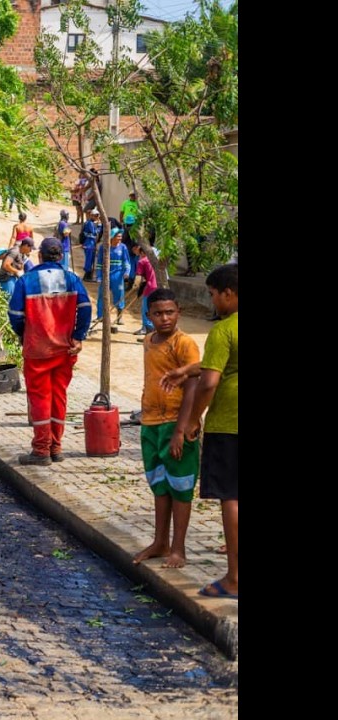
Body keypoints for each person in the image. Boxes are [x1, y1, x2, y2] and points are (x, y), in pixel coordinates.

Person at [166, 264, 237, 599]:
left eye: (213, 294)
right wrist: (185, 369)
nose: (213, 301)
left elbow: (210, 380)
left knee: (231, 497)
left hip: (229, 425)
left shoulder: (225, 330)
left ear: (228, 293)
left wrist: (194, 419)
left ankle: (234, 578)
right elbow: (216, 364)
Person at [131, 288, 201, 570]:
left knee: (181, 487)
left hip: (175, 423)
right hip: (150, 423)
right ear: (148, 316)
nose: (165, 318)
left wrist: (181, 430)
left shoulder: (185, 344)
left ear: (178, 313)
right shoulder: (149, 341)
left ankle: (178, 548)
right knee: (159, 485)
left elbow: (194, 385)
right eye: (158, 313)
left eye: (170, 312)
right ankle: (160, 541)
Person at [8, 238, 92, 466]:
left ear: (40, 256)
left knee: (40, 398)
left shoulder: (26, 280)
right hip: (65, 350)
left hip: (37, 350)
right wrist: (78, 335)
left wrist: (24, 333)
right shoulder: (72, 279)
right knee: (58, 396)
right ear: (61, 257)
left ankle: (41, 449)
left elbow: (15, 315)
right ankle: (56, 446)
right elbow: (85, 308)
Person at [96, 226, 132, 331]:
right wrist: (99, 275)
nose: (120, 239)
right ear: (112, 237)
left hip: (118, 275)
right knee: (102, 295)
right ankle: (100, 316)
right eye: (118, 236)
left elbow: (126, 261)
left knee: (119, 295)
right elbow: (99, 263)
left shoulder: (123, 247)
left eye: (121, 237)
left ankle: (119, 317)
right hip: (105, 275)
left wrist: (127, 272)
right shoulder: (104, 247)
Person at [131, 243, 158, 336]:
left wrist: (135, 286)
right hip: (157, 287)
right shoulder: (154, 260)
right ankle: (148, 328)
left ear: (142, 252)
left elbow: (139, 277)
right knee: (152, 308)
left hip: (149, 287)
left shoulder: (142, 261)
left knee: (145, 309)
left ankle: (148, 330)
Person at [80, 208, 102, 280]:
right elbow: (94, 232)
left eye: (97, 216)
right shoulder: (89, 223)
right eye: (95, 216)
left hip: (91, 244)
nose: (96, 217)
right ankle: (87, 275)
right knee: (89, 260)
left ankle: (89, 275)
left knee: (91, 259)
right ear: (91, 215)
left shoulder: (91, 223)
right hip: (89, 244)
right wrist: (99, 226)